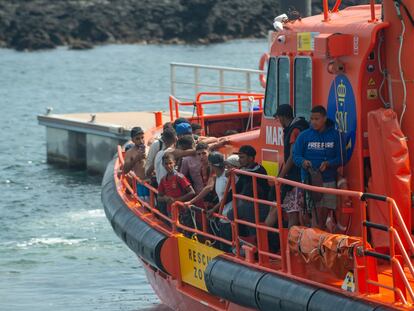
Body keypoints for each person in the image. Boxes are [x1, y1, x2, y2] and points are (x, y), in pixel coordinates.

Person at [293, 105, 344, 231]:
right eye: (312, 119)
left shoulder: (336, 136)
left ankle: (318, 238)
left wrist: (328, 163)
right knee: (313, 216)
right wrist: (303, 162)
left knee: (323, 215)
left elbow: (342, 158)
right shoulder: (304, 136)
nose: (314, 122)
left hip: (328, 181)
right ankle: (314, 241)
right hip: (309, 182)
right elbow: (296, 155)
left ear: (324, 119)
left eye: (317, 119)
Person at [266, 104, 309, 228]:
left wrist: (280, 177)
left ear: (282, 117)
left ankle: (289, 245)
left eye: (278, 119)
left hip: (295, 178)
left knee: (292, 214)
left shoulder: (295, 130)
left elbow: (292, 156)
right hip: (300, 177)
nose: (278, 122)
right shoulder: (302, 126)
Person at [227, 145, 269, 237]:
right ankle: (243, 241)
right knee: (231, 214)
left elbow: (251, 175)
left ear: (250, 158)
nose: (239, 160)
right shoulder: (243, 170)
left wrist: (237, 172)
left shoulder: (260, 170)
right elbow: (236, 189)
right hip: (248, 207)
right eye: (239, 157)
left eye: (242, 157)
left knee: (240, 212)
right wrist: (218, 205)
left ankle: (253, 242)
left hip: (261, 207)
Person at [123, 127, 150, 201]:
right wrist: (136, 158)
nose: (141, 141)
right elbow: (125, 170)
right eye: (137, 139)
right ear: (133, 140)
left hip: (150, 182)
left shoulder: (149, 149)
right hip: (140, 184)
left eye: (142, 138)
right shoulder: (130, 153)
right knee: (144, 205)